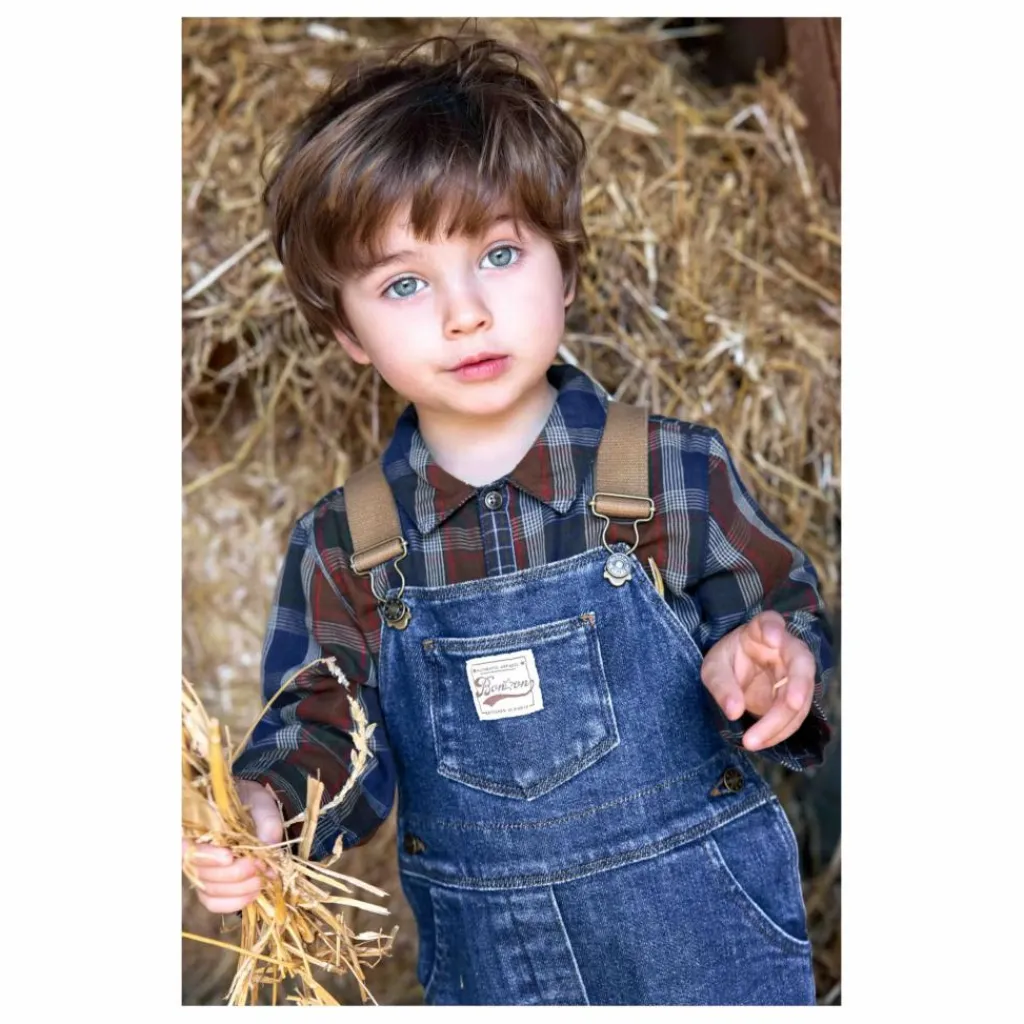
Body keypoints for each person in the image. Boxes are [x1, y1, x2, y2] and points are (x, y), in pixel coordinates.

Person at [182, 34, 835, 1006]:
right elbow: (324, 728)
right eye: (404, 283)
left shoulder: (670, 471)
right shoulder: (345, 544)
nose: (465, 313)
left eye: (497, 253)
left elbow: (783, 613)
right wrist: (267, 811)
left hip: (703, 949)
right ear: (347, 332)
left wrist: (772, 666)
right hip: (496, 971)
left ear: (564, 269)